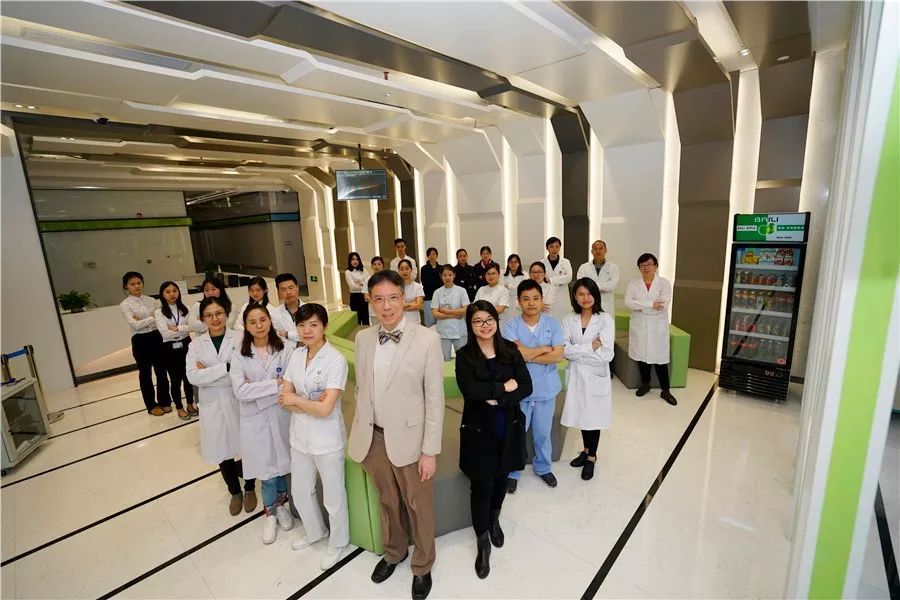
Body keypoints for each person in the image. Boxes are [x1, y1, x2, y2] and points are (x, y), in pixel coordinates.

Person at [348, 270, 444, 600]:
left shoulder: (427, 339)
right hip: (373, 438)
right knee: (387, 500)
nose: (386, 306)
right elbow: (361, 387)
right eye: (379, 299)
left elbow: (435, 399)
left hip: (412, 440)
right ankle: (395, 551)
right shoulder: (363, 339)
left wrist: (429, 450)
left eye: (392, 298)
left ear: (404, 298)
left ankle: (423, 564)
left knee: (419, 505)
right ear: (370, 302)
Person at [455, 300, 531, 579]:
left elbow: (525, 386)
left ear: (496, 322)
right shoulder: (465, 356)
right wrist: (503, 387)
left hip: (507, 425)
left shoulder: (510, 349)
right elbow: (470, 390)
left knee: (501, 478)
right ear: (470, 325)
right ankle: (482, 539)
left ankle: (494, 519)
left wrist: (497, 397)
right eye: (478, 321)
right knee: (482, 484)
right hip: (479, 430)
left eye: (489, 320)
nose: (485, 326)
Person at [279, 303, 350, 570]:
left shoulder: (336, 360)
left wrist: (297, 400)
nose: (307, 330)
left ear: (324, 327)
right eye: (301, 325)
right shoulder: (296, 355)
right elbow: (283, 399)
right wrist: (307, 403)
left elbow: (325, 409)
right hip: (299, 436)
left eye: (313, 325)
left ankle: (338, 542)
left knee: (333, 495)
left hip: (327, 439)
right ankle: (315, 532)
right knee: (300, 490)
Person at [185, 297, 257, 515]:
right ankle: (234, 492)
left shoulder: (241, 337)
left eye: (218, 314)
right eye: (209, 315)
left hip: (238, 398)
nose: (214, 319)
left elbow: (247, 369)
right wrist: (227, 367)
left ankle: (250, 488)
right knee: (221, 449)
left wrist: (208, 373)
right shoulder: (195, 345)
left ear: (226, 314)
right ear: (202, 319)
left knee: (248, 445)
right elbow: (192, 377)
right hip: (212, 403)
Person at [230, 304, 295, 544]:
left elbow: (291, 384)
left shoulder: (285, 348)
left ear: (270, 320)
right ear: (245, 326)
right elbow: (240, 391)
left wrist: (257, 389)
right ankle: (270, 513)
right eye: (252, 322)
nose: (259, 326)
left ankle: (282, 506)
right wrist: (275, 384)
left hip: (280, 415)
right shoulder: (239, 354)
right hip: (256, 421)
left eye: (263, 320)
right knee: (266, 471)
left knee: (281, 465)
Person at [501, 279, 564, 493]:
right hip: (520, 390)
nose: (531, 303)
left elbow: (557, 356)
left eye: (536, 298)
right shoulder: (511, 326)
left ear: (542, 300)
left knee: (543, 432)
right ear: (518, 302)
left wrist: (527, 353)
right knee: (517, 433)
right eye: (526, 299)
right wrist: (544, 348)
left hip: (546, 388)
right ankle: (513, 472)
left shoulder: (553, 324)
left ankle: (543, 467)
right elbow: (514, 356)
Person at [560, 278, 615, 481]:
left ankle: (592, 457)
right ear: (575, 297)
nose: (585, 298)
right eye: (581, 294)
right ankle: (585, 450)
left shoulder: (605, 320)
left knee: (594, 417)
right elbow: (563, 350)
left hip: (596, 375)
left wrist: (577, 352)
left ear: (596, 295)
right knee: (582, 414)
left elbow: (607, 355)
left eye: (589, 293)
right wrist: (590, 347)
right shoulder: (568, 319)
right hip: (577, 375)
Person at [624, 253, 677, 406]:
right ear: (639, 268)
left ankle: (665, 391)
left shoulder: (664, 283)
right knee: (642, 358)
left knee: (660, 360)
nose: (646, 267)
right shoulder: (633, 283)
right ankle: (645, 384)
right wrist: (650, 305)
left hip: (657, 327)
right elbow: (628, 302)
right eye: (643, 265)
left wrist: (640, 306)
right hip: (640, 326)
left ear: (656, 266)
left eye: (649, 264)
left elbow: (663, 305)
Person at [119, 271, 169, 416]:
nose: (137, 286)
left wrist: (143, 320)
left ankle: (165, 401)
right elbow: (135, 325)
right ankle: (151, 405)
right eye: (132, 284)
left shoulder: (152, 300)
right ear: (126, 286)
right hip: (140, 340)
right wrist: (153, 317)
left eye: (139, 283)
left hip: (156, 336)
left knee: (161, 371)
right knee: (145, 373)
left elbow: (162, 318)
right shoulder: (125, 305)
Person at [154, 281, 195, 420]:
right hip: (169, 349)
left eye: (174, 291)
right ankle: (179, 407)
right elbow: (165, 334)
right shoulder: (159, 312)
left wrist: (177, 328)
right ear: (162, 295)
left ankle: (190, 403)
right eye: (168, 292)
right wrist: (183, 330)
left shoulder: (186, 308)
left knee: (188, 377)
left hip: (186, 345)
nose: (172, 294)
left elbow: (192, 327)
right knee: (175, 380)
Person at [431, 264, 470, 361]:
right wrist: (454, 314)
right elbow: (435, 313)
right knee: (444, 359)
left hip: (459, 330)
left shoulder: (461, 291)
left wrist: (445, 312)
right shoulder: (437, 292)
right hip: (443, 331)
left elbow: (466, 309)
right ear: (441, 276)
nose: (447, 277)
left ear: (454, 275)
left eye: (450, 275)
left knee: (462, 359)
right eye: (444, 275)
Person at [576, 240, 620, 316]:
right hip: (588, 304)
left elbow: (613, 284)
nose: (598, 251)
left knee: (606, 322)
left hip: (606, 305)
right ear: (591, 251)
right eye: (595, 249)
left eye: (601, 248)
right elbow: (581, 285)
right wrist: (604, 285)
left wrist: (593, 286)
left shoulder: (613, 267)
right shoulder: (583, 267)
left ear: (606, 250)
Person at [540, 236, 573, 322]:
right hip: (547, 297)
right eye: (551, 247)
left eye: (557, 246)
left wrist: (550, 280)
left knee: (563, 322)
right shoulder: (542, 263)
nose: (554, 249)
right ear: (547, 248)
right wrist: (560, 279)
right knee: (547, 323)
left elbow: (569, 277)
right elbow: (541, 279)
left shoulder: (565, 262)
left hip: (562, 297)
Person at [273, 273, 303, 347]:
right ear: (278, 292)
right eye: (283, 289)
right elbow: (276, 338)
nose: (288, 292)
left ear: (297, 288)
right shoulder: (273, 314)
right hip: (285, 353)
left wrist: (287, 334)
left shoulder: (311, 310)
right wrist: (298, 344)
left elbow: (313, 335)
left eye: (291, 288)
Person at [345, 252, 370, 326]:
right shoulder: (348, 272)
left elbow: (369, 282)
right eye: (353, 259)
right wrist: (363, 284)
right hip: (355, 298)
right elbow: (352, 287)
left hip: (364, 297)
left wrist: (360, 283)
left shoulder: (364, 270)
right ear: (350, 261)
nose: (355, 261)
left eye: (357, 259)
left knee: (366, 319)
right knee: (357, 320)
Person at [399, 259, 425, 325]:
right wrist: (413, 303)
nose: (404, 271)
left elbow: (419, 305)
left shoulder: (418, 286)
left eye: (407, 269)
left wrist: (403, 306)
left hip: (415, 321)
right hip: (400, 321)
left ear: (411, 270)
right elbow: (396, 306)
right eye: (402, 269)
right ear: (399, 271)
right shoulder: (396, 288)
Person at [420, 247, 442, 328]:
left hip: (440, 298)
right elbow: (425, 283)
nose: (432, 256)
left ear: (437, 255)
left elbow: (442, 283)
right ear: (427, 256)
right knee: (430, 322)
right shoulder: (424, 268)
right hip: (429, 298)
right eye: (429, 255)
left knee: (440, 321)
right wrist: (436, 283)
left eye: (433, 254)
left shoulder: (441, 268)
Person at [502, 255, 526, 319]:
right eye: (511, 262)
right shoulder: (503, 275)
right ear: (508, 264)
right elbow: (501, 287)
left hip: (520, 300)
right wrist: (515, 287)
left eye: (515, 262)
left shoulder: (525, 274)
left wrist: (509, 286)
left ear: (519, 263)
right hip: (507, 301)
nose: (513, 264)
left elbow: (523, 288)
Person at [364, 256, 385, 327]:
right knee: (376, 330)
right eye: (374, 264)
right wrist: (376, 301)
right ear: (372, 266)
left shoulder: (387, 279)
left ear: (382, 266)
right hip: (373, 312)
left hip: (386, 310)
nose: (377, 266)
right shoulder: (368, 280)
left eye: (379, 264)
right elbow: (366, 296)